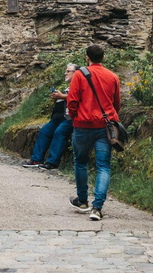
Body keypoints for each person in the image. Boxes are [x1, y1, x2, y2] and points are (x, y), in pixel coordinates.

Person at [66, 44, 120, 221]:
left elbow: (72, 101)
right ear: (103, 58)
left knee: (80, 161)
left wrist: (75, 118)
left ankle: (82, 201)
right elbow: (116, 104)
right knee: (103, 166)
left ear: (87, 57)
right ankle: (97, 208)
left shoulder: (80, 75)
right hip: (104, 127)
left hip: (82, 125)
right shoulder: (113, 77)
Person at [23, 63, 77, 170]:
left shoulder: (80, 85)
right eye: (65, 71)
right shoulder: (68, 87)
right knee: (44, 131)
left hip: (69, 118)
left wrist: (61, 96)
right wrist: (58, 97)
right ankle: (36, 160)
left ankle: (52, 163)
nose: (65, 73)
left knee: (60, 132)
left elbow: (78, 97)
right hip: (58, 118)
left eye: (68, 71)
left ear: (76, 73)